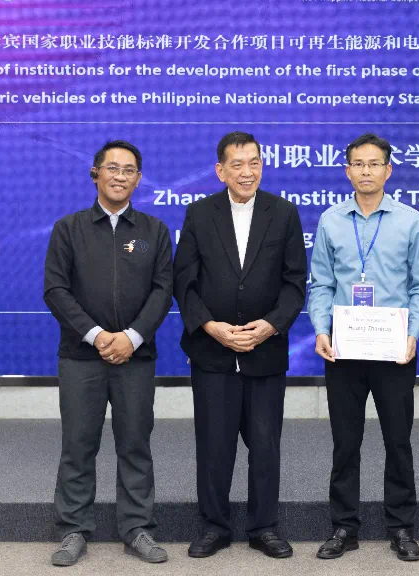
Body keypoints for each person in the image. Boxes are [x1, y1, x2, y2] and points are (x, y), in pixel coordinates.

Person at [173, 131, 307, 559]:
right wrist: (210, 326)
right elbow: (184, 281)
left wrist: (271, 325)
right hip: (212, 352)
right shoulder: (199, 213)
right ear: (221, 170)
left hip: (265, 351)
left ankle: (264, 527)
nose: (247, 172)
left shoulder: (283, 213)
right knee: (214, 446)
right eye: (237, 164)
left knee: (265, 446)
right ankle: (214, 526)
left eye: (254, 163)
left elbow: (295, 283)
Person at [43, 139, 174, 566]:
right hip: (81, 357)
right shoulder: (69, 228)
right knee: (78, 445)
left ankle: (137, 527)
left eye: (129, 170)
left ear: (138, 179)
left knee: (135, 444)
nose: (120, 176)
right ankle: (73, 529)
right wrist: (98, 336)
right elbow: (56, 290)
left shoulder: (154, 231)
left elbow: (163, 291)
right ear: (96, 173)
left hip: (136, 358)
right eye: (113, 168)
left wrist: (131, 337)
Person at [308, 133, 419, 561]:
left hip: (394, 350)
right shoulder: (330, 220)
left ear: (388, 170)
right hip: (343, 349)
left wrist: (412, 334)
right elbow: (321, 283)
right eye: (358, 164)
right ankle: (344, 526)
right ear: (347, 171)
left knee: (398, 441)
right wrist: (321, 329)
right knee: (345, 443)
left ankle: (401, 527)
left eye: (374, 163)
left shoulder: (410, 221)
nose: (366, 171)